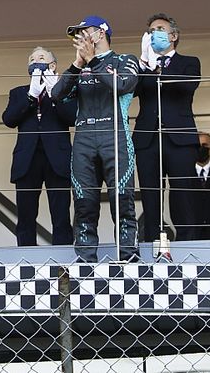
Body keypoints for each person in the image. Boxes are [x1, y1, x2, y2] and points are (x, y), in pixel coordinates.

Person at [53, 16, 140, 263]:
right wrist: (76, 65)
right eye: (76, 34)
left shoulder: (125, 60)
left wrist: (94, 61)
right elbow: (57, 95)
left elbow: (123, 85)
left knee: (122, 199)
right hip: (83, 139)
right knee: (83, 201)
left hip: (115, 136)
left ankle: (128, 256)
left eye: (84, 32)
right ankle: (85, 258)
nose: (79, 37)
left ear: (101, 33)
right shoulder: (80, 67)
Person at [133, 13, 202, 241]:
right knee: (151, 197)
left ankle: (188, 242)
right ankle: (153, 243)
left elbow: (187, 85)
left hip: (179, 139)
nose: (154, 34)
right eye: (151, 31)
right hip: (148, 139)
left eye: (160, 29)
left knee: (183, 194)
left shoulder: (189, 62)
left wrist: (157, 67)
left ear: (173, 35)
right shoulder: (143, 65)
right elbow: (132, 90)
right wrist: (144, 64)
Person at [1, 47, 77, 246]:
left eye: (41, 57)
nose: (36, 61)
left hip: (57, 158)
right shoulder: (18, 93)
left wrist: (56, 95)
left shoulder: (66, 91)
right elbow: (9, 119)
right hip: (28, 158)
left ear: (53, 65)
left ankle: (64, 257)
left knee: (60, 214)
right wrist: (30, 97)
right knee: (25, 215)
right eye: (32, 59)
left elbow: (73, 117)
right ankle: (26, 257)